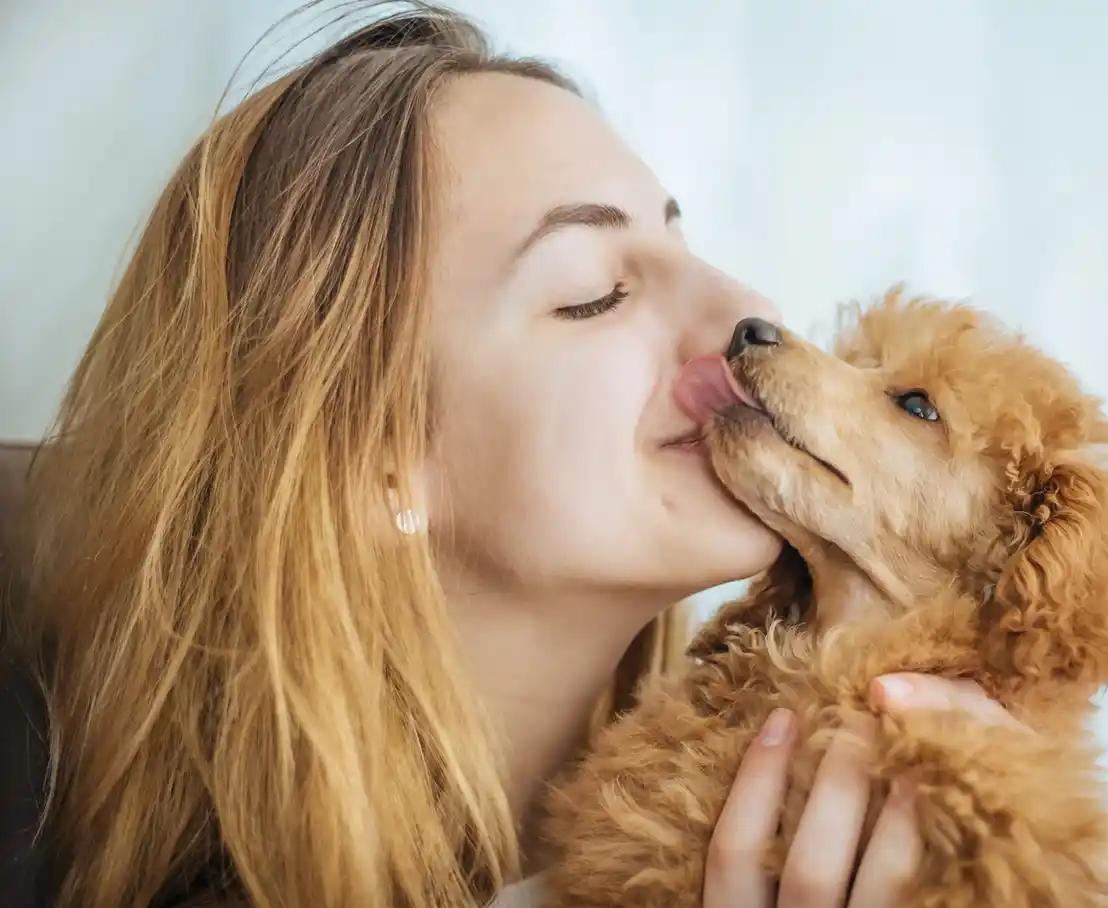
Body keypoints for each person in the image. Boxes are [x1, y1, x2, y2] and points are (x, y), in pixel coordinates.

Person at [5, 4, 1022, 907]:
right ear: (378, 459)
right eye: (594, 288)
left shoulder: (894, 804)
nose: (747, 310)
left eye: (683, 238)